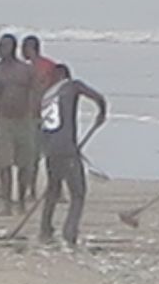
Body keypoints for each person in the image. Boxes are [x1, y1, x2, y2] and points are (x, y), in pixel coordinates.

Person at [37, 64, 109, 248]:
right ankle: (69, 232)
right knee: (78, 192)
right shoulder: (72, 86)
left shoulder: (46, 96)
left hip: (50, 149)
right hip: (67, 149)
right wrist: (102, 113)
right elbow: (98, 97)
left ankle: (45, 229)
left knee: (53, 189)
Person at [0, 33, 41, 214]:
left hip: (24, 121)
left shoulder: (26, 70)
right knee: (4, 164)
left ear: (13, 48)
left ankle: (21, 200)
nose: (0, 50)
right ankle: (7, 203)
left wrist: (35, 118)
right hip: (4, 121)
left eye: (4, 46)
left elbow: (35, 93)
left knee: (25, 164)